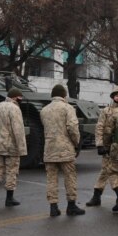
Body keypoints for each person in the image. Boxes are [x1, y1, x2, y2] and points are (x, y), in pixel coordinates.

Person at [41, 84, 84, 217]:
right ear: (64, 95)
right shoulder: (68, 108)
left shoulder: (44, 110)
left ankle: (53, 207)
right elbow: (72, 127)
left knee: (51, 178)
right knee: (70, 177)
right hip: (65, 148)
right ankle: (71, 205)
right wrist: (77, 142)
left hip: (49, 148)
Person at [0, 87, 27, 208]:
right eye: (20, 99)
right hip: (10, 146)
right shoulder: (15, 109)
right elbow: (18, 130)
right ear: (15, 98)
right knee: (12, 171)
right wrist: (22, 148)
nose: (21, 101)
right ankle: (9, 198)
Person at [87, 85, 118, 207]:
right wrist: (99, 144)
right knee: (106, 171)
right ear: (112, 97)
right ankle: (98, 196)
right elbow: (99, 127)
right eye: (116, 95)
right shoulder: (106, 111)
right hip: (108, 147)